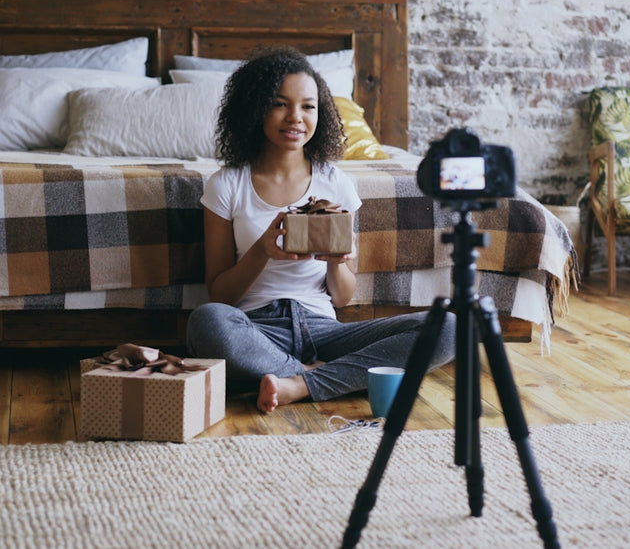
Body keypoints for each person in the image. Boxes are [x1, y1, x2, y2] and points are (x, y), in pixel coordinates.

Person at [185, 47, 455, 414]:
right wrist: (262, 250)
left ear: (321, 112)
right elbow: (220, 295)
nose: (295, 118)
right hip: (257, 329)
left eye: (308, 106)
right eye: (280, 104)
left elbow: (342, 297)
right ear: (256, 107)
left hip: (325, 329)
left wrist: (335, 261)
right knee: (206, 322)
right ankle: (320, 378)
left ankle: (295, 383)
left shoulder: (335, 183)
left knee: (450, 327)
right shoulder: (227, 184)